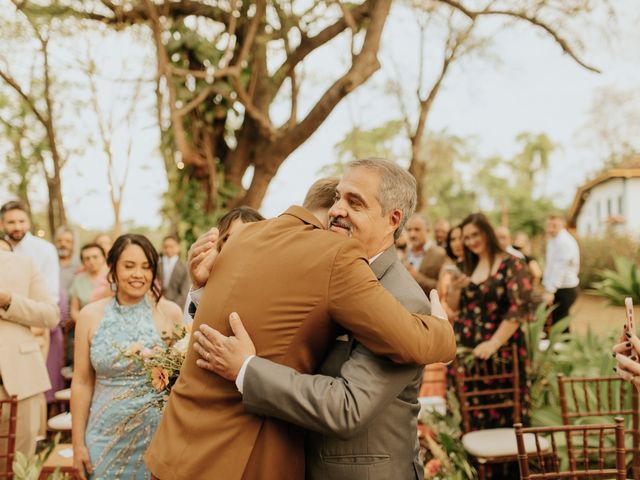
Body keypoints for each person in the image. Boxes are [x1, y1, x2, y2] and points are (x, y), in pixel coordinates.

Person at [144, 160, 456, 480]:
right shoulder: (323, 266)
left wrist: (247, 369)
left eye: (355, 202)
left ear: (392, 220)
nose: (338, 210)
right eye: (337, 197)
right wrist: (203, 291)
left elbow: (349, 407)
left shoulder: (404, 299)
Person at [71, 234, 183, 480]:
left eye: (146, 266)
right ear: (113, 269)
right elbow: (81, 381)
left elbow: (181, 382)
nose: (138, 274)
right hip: (103, 436)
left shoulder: (170, 313)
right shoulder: (90, 316)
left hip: (156, 438)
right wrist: (78, 444)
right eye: (129, 266)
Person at [447, 212, 533, 430]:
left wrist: (493, 344)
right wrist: (455, 289)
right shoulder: (465, 265)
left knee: (504, 413)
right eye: (466, 237)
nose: (471, 241)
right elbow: (455, 306)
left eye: (476, 234)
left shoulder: (512, 264)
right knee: (469, 413)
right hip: (468, 352)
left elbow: (519, 308)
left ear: (488, 232)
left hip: (500, 353)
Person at [0, 250, 59, 471]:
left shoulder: (23, 263)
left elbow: (50, 316)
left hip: (20, 382)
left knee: (19, 467)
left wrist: (8, 301)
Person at [0, 201, 59, 299]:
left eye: (22, 221)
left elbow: (52, 293)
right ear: (1, 225)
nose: (17, 227)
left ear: (29, 222)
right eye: (11, 222)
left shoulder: (46, 250)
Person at [542, 214, 580, 327]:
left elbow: (560, 268)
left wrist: (550, 290)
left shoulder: (564, 242)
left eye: (554, 225)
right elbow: (551, 266)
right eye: (548, 225)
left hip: (565, 289)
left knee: (559, 323)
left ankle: (563, 344)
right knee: (557, 321)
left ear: (562, 224)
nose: (550, 228)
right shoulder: (554, 240)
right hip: (559, 288)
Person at [403, 214, 448, 295]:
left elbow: (442, 288)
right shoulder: (405, 252)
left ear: (427, 230)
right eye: (409, 230)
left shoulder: (440, 254)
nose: (412, 234)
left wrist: (416, 276)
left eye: (417, 229)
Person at [69, 243, 110, 324]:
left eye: (95, 257)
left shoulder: (112, 277)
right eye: (87, 258)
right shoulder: (78, 280)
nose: (91, 261)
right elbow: (74, 311)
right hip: (85, 324)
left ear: (103, 258)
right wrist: (86, 324)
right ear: (83, 262)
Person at [158, 235, 191, 309]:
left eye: (171, 247)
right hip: (158, 305)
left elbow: (184, 293)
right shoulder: (157, 266)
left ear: (178, 248)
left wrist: (172, 307)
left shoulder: (184, 268)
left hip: (176, 307)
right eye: (165, 247)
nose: (168, 250)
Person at [55, 226, 80, 296]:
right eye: (59, 241)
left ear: (74, 244)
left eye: (67, 241)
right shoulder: (50, 262)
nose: (63, 244)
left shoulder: (80, 264)